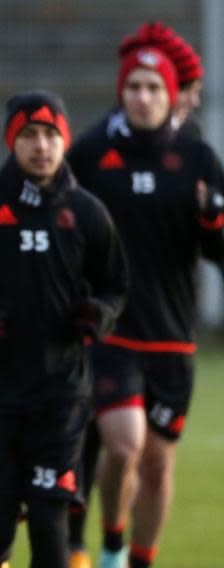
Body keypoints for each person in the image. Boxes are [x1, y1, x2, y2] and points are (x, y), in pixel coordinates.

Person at [0, 91, 128, 568]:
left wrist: (99, 314)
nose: (41, 146)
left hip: (61, 396)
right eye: (29, 134)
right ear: (12, 141)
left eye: (51, 135)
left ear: (64, 141)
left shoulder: (87, 212)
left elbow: (117, 285)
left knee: (51, 528)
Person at [67, 47, 224, 568]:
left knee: (158, 464)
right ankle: (110, 543)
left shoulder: (198, 159)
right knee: (125, 445)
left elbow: (217, 251)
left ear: (173, 95)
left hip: (174, 337)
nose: (143, 96)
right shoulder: (89, 154)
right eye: (134, 86)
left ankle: (138, 558)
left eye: (154, 87)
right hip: (112, 331)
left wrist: (210, 221)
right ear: (121, 91)